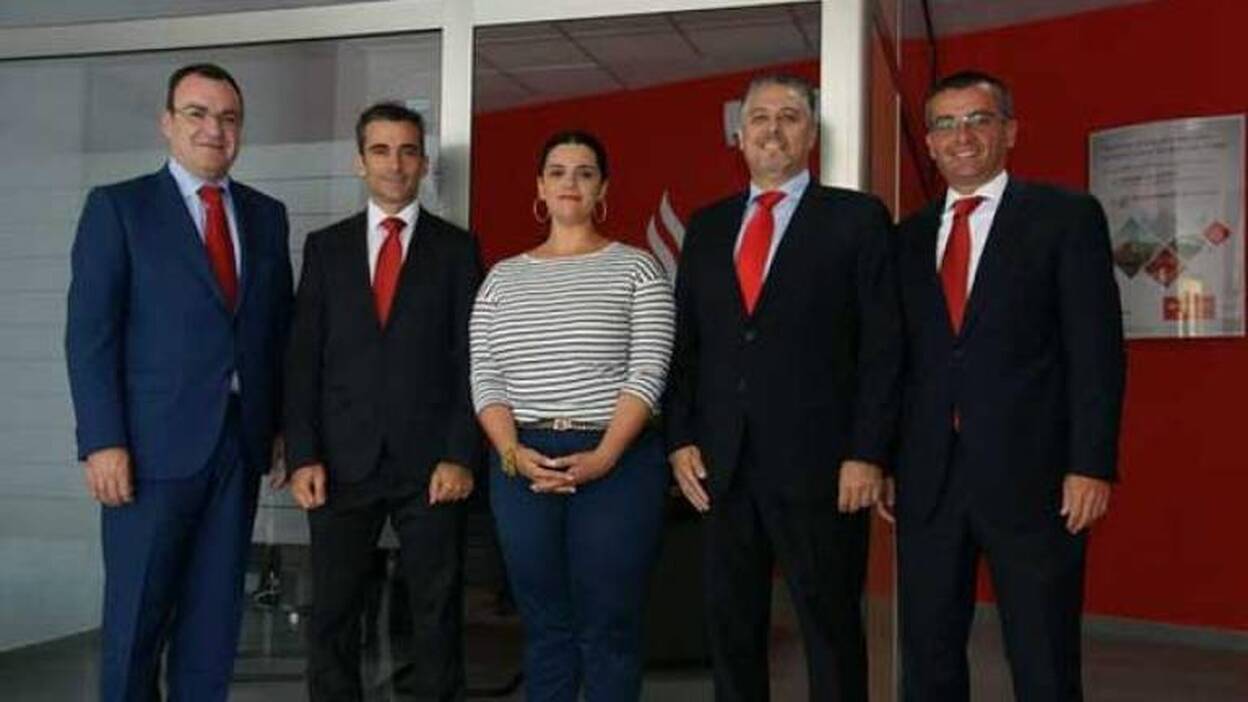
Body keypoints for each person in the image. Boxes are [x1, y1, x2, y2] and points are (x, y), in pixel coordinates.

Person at [886, 70, 1126, 701]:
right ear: (930, 143)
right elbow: (897, 361)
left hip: (1036, 478)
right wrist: (884, 459)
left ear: (1010, 131)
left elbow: (1096, 352)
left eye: (978, 120)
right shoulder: (906, 238)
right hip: (928, 481)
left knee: (1043, 658)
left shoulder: (1065, 217)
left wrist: (1091, 465)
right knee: (928, 657)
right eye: (945, 124)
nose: (961, 136)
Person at [664, 73, 902, 701]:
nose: (773, 129)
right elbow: (686, 346)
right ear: (740, 136)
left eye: (789, 117)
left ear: (811, 134)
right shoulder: (707, 226)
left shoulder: (857, 219)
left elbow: (883, 348)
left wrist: (868, 452)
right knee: (732, 630)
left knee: (830, 628)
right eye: (760, 118)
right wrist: (680, 438)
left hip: (823, 468)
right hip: (723, 468)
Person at [65, 62, 293, 701]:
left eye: (229, 117)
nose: (214, 129)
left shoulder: (266, 216)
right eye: (197, 113)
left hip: (237, 448)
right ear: (167, 123)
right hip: (147, 454)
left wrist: (279, 424)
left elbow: (276, 331)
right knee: (137, 621)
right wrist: (102, 440)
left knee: (213, 626)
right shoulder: (119, 208)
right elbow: (90, 335)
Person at [283, 101, 481, 701]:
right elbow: (303, 360)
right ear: (359, 162)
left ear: (423, 163)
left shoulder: (457, 249)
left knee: (436, 612)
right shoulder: (326, 248)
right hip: (340, 463)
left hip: (432, 467)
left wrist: (460, 454)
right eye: (381, 150)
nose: (395, 164)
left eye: (407, 151)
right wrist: (302, 455)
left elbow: (472, 361)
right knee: (334, 612)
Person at [470, 130, 675, 701]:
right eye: (557, 172)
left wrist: (605, 455)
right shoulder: (501, 279)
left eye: (585, 173)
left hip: (617, 461)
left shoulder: (638, 269)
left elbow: (647, 372)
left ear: (603, 189)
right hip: (522, 461)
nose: (570, 183)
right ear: (540, 187)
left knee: (610, 624)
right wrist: (511, 453)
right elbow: (485, 376)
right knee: (544, 626)